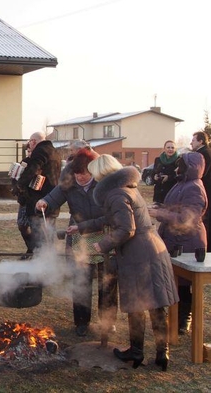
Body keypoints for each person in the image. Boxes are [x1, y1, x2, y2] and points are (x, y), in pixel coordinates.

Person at [88, 154, 178, 371]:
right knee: (155, 305)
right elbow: (114, 219)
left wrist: (103, 245)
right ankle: (160, 354)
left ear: (101, 173)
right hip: (152, 249)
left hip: (139, 254)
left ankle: (138, 352)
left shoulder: (116, 194)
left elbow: (126, 229)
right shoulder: (127, 188)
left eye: (94, 174)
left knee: (140, 305)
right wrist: (82, 227)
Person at [36, 147, 117, 338]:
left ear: (94, 171)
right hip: (79, 235)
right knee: (81, 280)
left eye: (85, 174)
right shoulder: (69, 181)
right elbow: (54, 196)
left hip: (104, 234)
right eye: (78, 174)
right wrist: (44, 202)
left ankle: (108, 321)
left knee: (108, 281)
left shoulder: (105, 183)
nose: (81, 178)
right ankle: (81, 322)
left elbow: (112, 215)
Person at [149, 152, 208, 335]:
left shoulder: (194, 188)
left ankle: (184, 319)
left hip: (188, 240)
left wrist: (159, 215)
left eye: (179, 166)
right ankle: (175, 317)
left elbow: (187, 218)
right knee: (174, 280)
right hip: (174, 238)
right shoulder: (181, 184)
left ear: (190, 168)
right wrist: (160, 207)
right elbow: (175, 207)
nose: (175, 169)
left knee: (183, 283)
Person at [15, 131, 61, 257]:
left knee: (39, 235)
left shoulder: (40, 151)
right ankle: (51, 264)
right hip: (53, 198)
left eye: (30, 142)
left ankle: (41, 265)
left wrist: (20, 183)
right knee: (49, 233)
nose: (29, 145)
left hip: (39, 200)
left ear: (33, 141)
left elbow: (32, 170)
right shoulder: (55, 151)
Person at [191, 131, 211, 251]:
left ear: (200, 141)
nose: (191, 142)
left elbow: (201, 174)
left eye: (193, 140)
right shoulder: (203, 153)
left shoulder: (204, 154)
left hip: (206, 192)